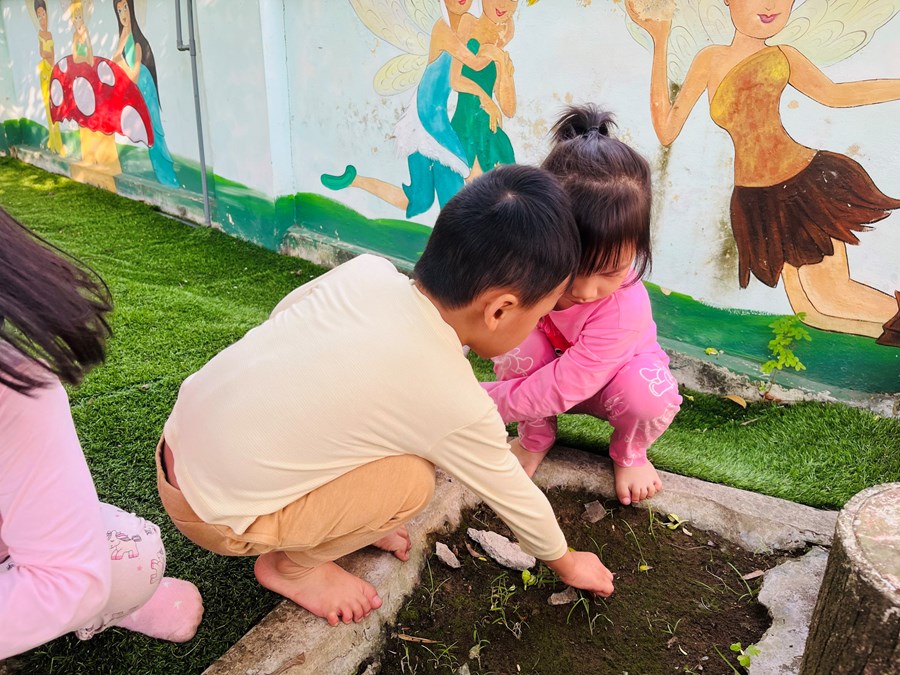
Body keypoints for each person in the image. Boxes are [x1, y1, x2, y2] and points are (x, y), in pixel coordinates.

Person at [157, 164, 615, 628]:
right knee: (410, 484)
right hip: (214, 514)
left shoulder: (367, 271)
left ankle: (347, 518)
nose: (540, 325)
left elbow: (285, 314)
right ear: (499, 310)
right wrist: (567, 561)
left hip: (178, 439)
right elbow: (514, 494)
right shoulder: (452, 398)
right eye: (540, 315)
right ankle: (290, 569)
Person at [625, 0, 900, 345]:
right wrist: (660, 38)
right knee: (812, 313)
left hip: (802, 184)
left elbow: (835, 95)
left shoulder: (782, 56)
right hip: (756, 199)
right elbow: (666, 130)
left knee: (833, 293)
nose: (771, 5)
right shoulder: (710, 59)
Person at [0, 207, 203, 659]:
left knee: (135, 558)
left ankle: (109, 610)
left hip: (21, 546)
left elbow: (65, 578)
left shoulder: (15, 387)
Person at [483, 105, 682, 507]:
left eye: (610, 271)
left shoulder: (626, 307)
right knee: (513, 342)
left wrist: (478, 403)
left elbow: (566, 384)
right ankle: (536, 436)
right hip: (541, 373)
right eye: (574, 269)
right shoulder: (524, 269)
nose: (588, 291)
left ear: (638, 249)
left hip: (613, 386)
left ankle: (630, 453)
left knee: (651, 394)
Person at [111, 0, 179, 187]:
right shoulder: (125, 35)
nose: (123, 14)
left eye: (125, 8)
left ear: (131, 8)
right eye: (119, 10)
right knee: (148, 132)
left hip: (145, 86)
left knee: (154, 131)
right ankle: (162, 174)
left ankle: (167, 176)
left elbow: (133, 74)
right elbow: (115, 58)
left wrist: (122, 66)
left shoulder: (138, 41)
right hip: (138, 88)